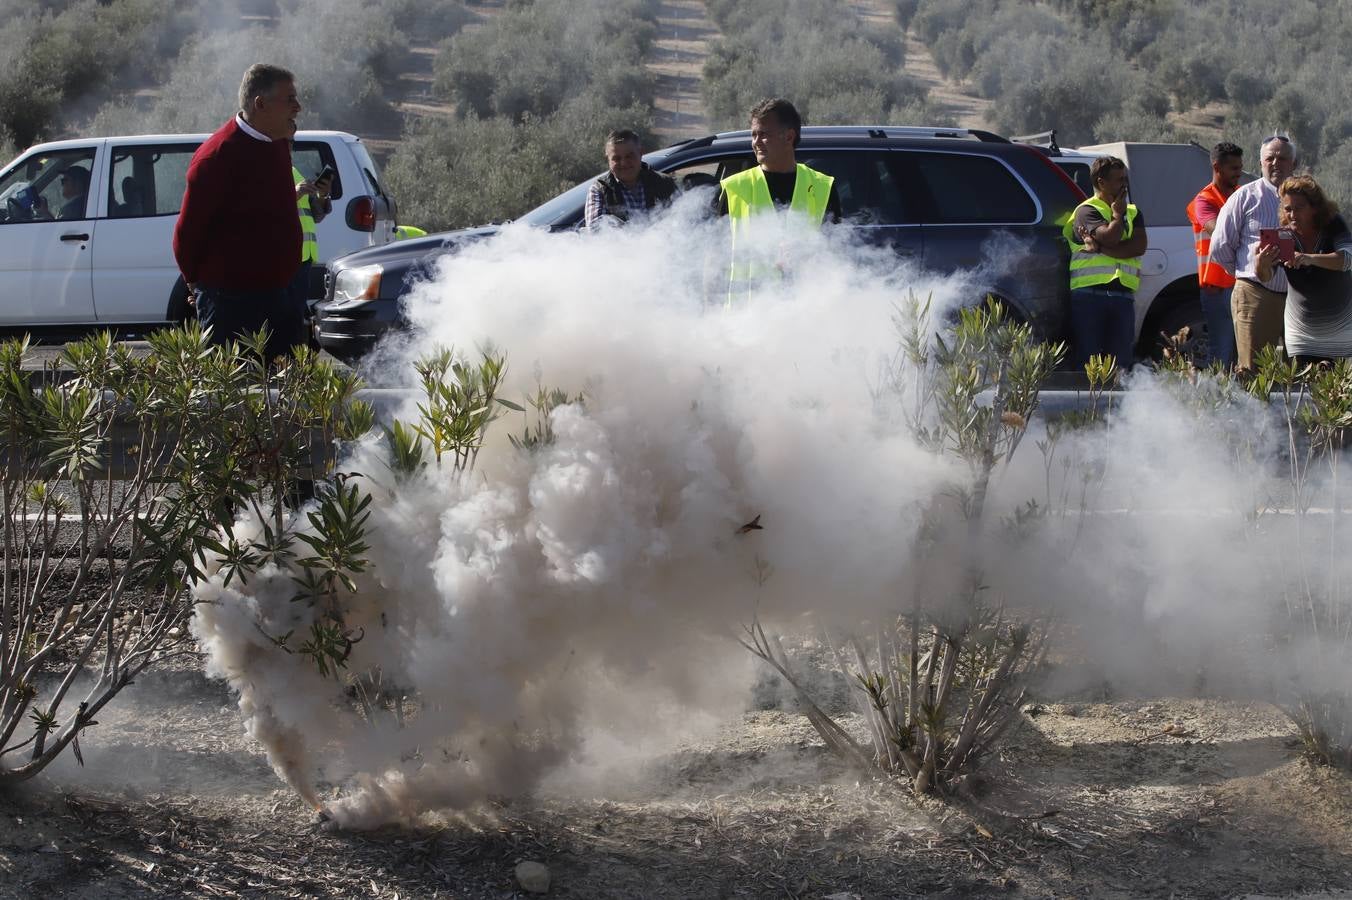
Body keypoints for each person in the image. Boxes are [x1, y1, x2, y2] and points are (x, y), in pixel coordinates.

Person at [173, 63, 304, 360]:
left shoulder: (277, 142)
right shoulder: (216, 157)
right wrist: (197, 283)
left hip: (282, 295)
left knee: (287, 397)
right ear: (261, 104)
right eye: (290, 99)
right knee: (236, 397)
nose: (298, 107)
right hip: (232, 304)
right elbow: (187, 234)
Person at [714, 98, 841, 304]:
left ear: (789, 136)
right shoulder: (734, 188)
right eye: (754, 135)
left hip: (804, 315)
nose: (756, 142)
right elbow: (714, 258)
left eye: (764, 135)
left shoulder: (822, 187)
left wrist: (807, 254)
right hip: (746, 318)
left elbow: (835, 252)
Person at [1209, 135, 1297, 372]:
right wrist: (1245, 271)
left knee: (1301, 373)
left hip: (1298, 298)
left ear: (1294, 164)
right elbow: (1220, 246)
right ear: (1261, 163)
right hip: (1255, 295)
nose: (1276, 163)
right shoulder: (1245, 197)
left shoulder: (1309, 200)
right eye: (1270, 158)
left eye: (1283, 158)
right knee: (1253, 372)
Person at [1253, 175, 1352, 366]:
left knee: (1335, 390)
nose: (1292, 215)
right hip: (1301, 329)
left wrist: (1308, 258)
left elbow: (1347, 260)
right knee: (1304, 388)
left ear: (1315, 208)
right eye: (1287, 209)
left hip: (1339, 326)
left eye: (1299, 208)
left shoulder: (1333, 225)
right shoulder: (1284, 236)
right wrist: (1260, 264)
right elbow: (1265, 277)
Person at [1063, 155, 1147, 370]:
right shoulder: (1086, 211)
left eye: (1125, 179)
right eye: (1119, 180)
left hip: (1122, 298)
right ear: (1101, 182)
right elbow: (1112, 236)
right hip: (1090, 297)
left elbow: (1138, 247)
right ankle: (1088, 404)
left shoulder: (1133, 212)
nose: (1124, 184)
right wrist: (1117, 216)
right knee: (1089, 363)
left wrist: (1100, 248)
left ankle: (1117, 404)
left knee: (1121, 365)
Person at [1186, 142, 1244, 369]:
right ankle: (1215, 400)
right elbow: (1219, 231)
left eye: (1240, 167)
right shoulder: (1204, 200)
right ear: (1217, 167)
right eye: (1233, 168)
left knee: (1244, 352)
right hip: (1218, 288)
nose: (1239, 173)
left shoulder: (1242, 195)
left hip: (1241, 283)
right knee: (1221, 350)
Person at [584, 129, 676, 229]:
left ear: (641, 153)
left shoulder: (665, 183)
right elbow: (596, 232)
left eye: (629, 156)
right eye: (616, 158)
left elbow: (682, 222)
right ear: (608, 159)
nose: (623, 163)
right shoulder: (600, 189)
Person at [289, 141, 333, 348]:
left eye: (290, 145)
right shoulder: (264, 172)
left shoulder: (293, 172)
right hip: (284, 257)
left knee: (297, 314)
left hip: (302, 257)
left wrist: (323, 195)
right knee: (288, 315)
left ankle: (297, 363)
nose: (289, 149)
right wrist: (294, 194)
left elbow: (316, 215)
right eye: (286, 144)